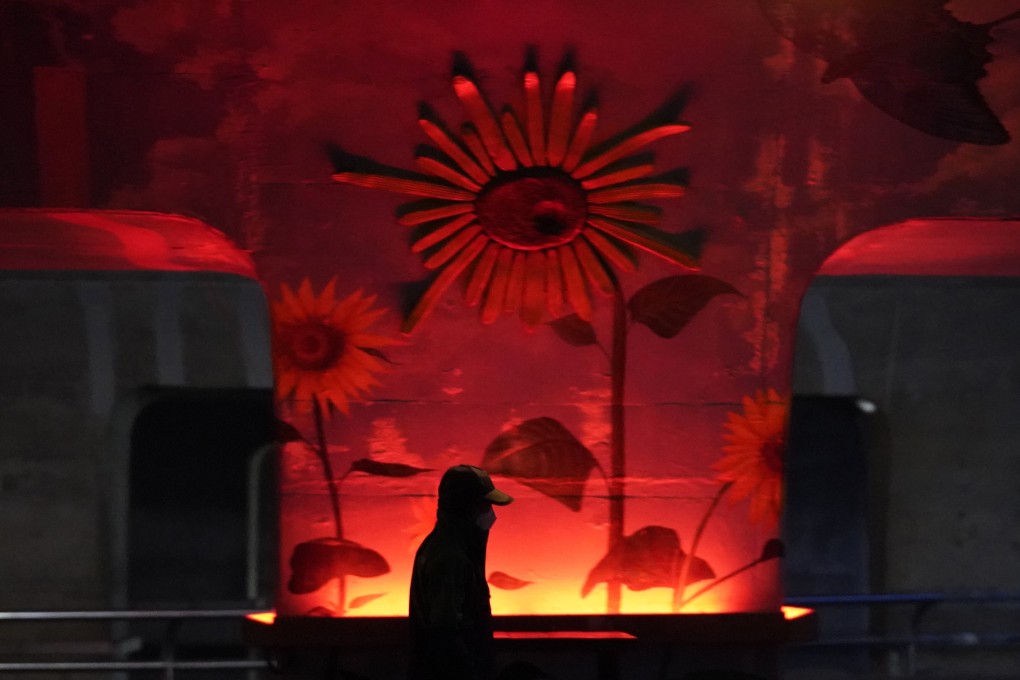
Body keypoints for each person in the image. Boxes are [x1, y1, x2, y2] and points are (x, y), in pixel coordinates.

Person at [408, 465, 513, 680]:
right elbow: (445, 633)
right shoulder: (451, 556)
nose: (490, 514)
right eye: (485, 505)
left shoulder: (446, 546)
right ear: (467, 506)